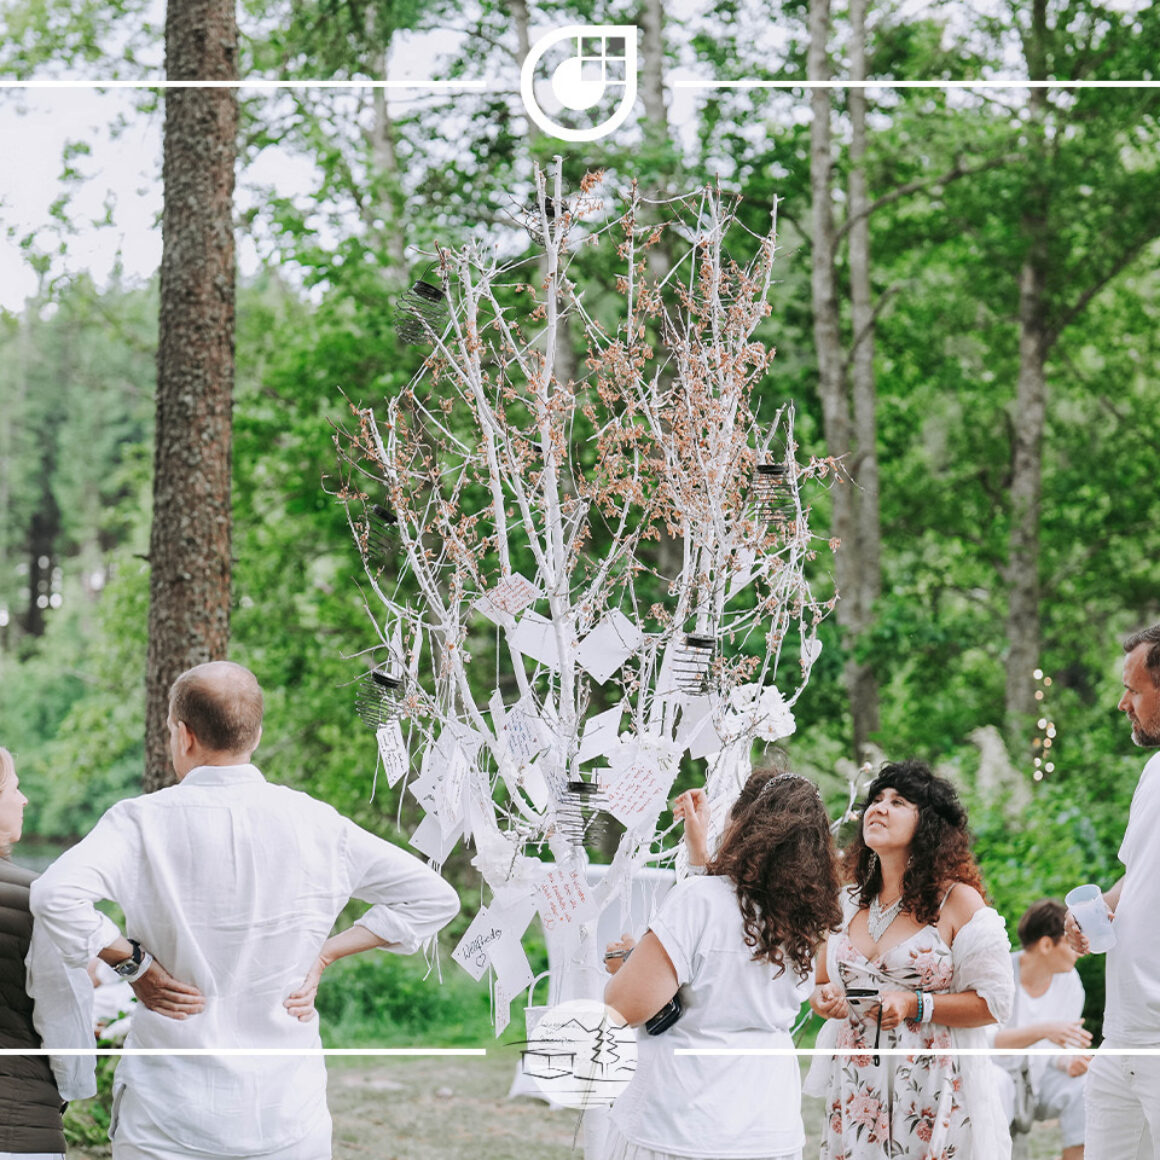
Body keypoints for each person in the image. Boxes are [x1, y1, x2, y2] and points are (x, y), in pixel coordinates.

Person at [30, 661, 460, 1160]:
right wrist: (325, 955)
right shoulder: (317, 824)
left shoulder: (139, 823)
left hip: (167, 1113)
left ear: (183, 735)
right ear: (254, 734)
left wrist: (133, 964)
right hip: (286, 1113)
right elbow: (435, 898)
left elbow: (53, 895)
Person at [603, 766, 843, 1160]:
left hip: (681, 1125)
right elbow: (733, 943)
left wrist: (629, 964)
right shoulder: (809, 919)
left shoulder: (699, 901)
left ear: (743, 824)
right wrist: (701, 858)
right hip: (767, 1128)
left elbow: (623, 1007)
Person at [809, 759, 1014, 1159]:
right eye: (876, 799)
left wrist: (915, 1004)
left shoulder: (957, 902)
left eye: (898, 801)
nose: (879, 808)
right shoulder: (845, 904)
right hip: (856, 1086)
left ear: (929, 826)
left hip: (929, 1086)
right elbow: (821, 984)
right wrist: (825, 999)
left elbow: (995, 1003)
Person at [1068, 623, 1160, 1160]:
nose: (1122, 703)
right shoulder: (1152, 773)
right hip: (1121, 1035)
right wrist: (1096, 909)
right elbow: (1138, 876)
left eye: (1134, 689)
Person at [1, 745, 104, 1159]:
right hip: (16, 1129)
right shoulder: (37, 900)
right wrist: (72, 1088)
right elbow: (65, 1024)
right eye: (14, 786)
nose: (23, 799)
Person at [992, 899, 1089, 1160]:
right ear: (1047, 944)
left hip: (1040, 1080)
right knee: (996, 1084)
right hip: (997, 1078)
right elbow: (986, 1043)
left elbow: (1057, 1047)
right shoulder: (999, 976)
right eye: (1072, 943)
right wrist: (1044, 1030)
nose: (1081, 952)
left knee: (1085, 1086)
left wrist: (1067, 1062)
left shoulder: (1070, 983)